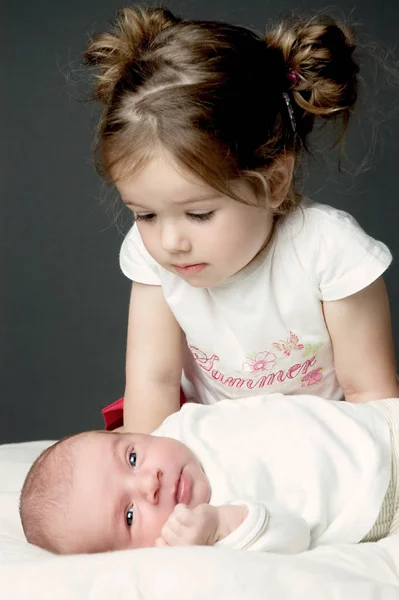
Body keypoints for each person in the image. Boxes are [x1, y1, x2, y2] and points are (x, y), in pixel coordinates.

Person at [83, 6, 399, 433]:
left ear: (273, 182)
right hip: (206, 443)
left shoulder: (330, 250)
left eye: (199, 213)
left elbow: (373, 399)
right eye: (145, 215)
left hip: (317, 447)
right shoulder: (151, 254)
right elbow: (152, 382)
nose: (170, 241)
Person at [20, 394, 399, 555]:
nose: (149, 485)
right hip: (374, 495)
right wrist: (220, 525)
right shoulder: (207, 531)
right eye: (130, 515)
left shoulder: (182, 425)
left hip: (376, 421)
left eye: (132, 458)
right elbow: (293, 534)